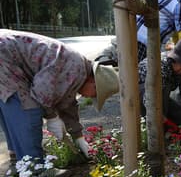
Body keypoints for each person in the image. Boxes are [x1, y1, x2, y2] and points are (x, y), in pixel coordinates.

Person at [0, 29, 119, 164]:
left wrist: (78, 136)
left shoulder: (79, 71)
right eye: (94, 95)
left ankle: (19, 162)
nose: (88, 97)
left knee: (11, 110)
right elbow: (40, 93)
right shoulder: (75, 69)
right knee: (29, 111)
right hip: (5, 53)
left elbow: (67, 104)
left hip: (5, 51)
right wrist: (52, 117)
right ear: (94, 83)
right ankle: (33, 168)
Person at [97, 0, 181, 65]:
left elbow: (177, 34)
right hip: (143, 42)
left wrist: (178, 50)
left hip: (129, 33)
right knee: (137, 78)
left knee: (125, 68)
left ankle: (110, 56)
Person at [138, 38, 181, 130]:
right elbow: (149, 102)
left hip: (161, 96)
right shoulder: (160, 69)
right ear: (174, 59)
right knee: (165, 89)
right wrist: (168, 124)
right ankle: (158, 128)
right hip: (142, 95)